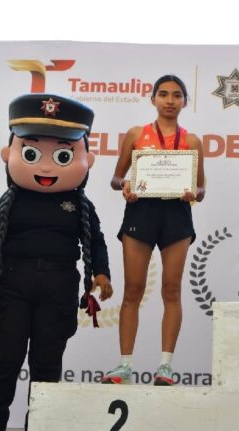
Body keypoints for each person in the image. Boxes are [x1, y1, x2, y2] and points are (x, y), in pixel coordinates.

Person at [0, 93, 112, 431]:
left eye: (62, 155)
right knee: (4, 363)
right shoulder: (8, 201)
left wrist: (101, 272)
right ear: (9, 154)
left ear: (87, 159)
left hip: (58, 288)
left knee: (47, 367)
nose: (46, 167)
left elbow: (97, 241)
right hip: (11, 285)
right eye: (32, 154)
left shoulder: (79, 205)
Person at [101, 74, 205, 385]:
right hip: (141, 211)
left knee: (171, 290)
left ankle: (165, 367)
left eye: (176, 95)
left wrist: (194, 193)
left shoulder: (192, 141)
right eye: (163, 94)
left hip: (177, 215)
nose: (170, 100)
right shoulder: (137, 134)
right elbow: (116, 179)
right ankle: (124, 366)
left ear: (184, 101)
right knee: (132, 289)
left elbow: (201, 188)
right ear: (153, 99)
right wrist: (126, 185)